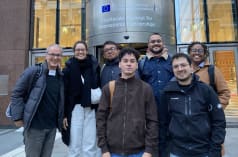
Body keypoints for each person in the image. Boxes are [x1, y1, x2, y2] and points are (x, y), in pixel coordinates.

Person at [159, 53, 226, 157]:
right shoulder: (167, 93)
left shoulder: (206, 90)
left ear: (191, 67)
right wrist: (164, 150)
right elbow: (162, 124)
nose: (180, 69)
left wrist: (215, 149)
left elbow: (219, 121)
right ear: (172, 70)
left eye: (183, 65)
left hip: (204, 151)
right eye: (176, 66)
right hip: (176, 151)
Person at [97, 47, 158, 157]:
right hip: (112, 152)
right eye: (125, 61)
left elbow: (152, 120)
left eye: (132, 61)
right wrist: (104, 148)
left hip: (139, 151)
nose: (129, 64)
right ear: (119, 64)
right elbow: (101, 119)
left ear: (137, 65)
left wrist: (149, 150)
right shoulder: (109, 88)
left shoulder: (145, 88)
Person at [9, 44, 64, 157]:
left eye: (58, 55)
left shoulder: (61, 76)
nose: (55, 57)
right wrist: (17, 117)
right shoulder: (34, 72)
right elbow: (17, 94)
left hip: (52, 127)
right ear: (46, 56)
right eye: (52, 54)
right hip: (34, 127)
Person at [62, 40, 101, 157]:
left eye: (82, 49)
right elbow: (64, 92)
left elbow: (99, 84)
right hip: (75, 108)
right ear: (74, 52)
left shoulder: (94, 65)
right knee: (75, 141)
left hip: (91, 107)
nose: (80, 52)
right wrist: (64, 114)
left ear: (86, 51)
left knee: (90, 141)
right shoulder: (68, 68)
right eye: (77, 50)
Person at [187, 41, 230, 109]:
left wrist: (216, 109)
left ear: (205, 54)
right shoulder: (184, 70)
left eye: (200, 51)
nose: (197, 53)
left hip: (207, 116)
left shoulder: (213, 70)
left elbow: (225, 93)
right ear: (189, 53)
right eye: (194, 50)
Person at [139, 33, 174, 108]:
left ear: (163, 43)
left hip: (171, 106)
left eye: (158, 41)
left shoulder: (173, 60)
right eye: (153, 42)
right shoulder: (141, 62)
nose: (156, 43)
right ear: (148, 45)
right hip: (149, 106)